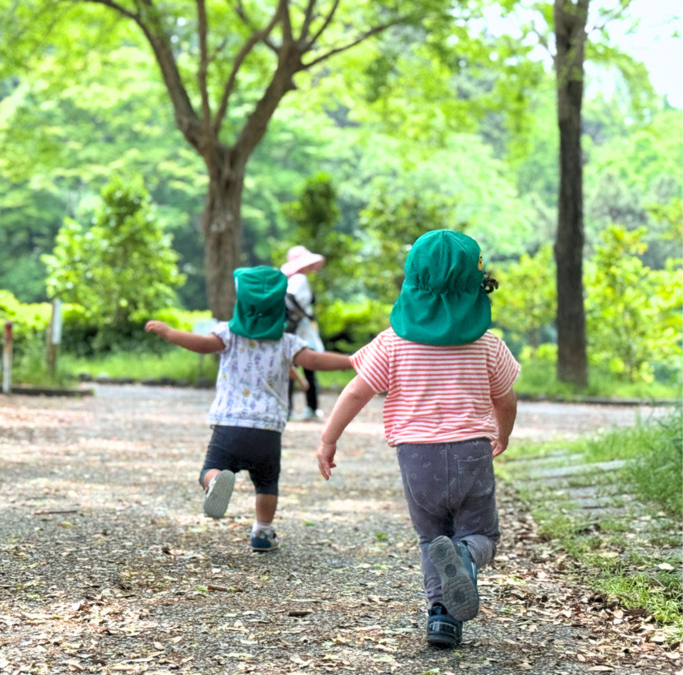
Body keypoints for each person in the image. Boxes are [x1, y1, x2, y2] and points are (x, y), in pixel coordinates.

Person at [315, 230, 520, 649]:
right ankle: (466, 556)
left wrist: (328, 440)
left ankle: (442, 618)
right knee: (481, 535)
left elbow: (356, 392)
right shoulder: (487, 345)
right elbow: (506, 398)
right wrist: (503, 433)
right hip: (471, 453)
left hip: (416, 458)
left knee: (431, 539)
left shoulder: (392, 343)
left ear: (411, 282)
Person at [145, 266, 352, 552]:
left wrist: (169, 332)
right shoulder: (287, 343)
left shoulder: (228, 335)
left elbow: (202, 344)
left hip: (229, 425)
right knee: (266, 483)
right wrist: (353, 360)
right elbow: (315, 361)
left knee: (210, 468)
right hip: (267, 430)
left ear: (241, 304)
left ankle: (214, 482)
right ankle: (262, 532)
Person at [281, 245, 326, 421]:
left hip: (295, 332)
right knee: (309, 368)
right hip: (301, 333)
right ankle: (311, 408)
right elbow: (291, 298)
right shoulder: (300, 279)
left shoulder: (291, 279)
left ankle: (288, 409)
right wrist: (303, 315)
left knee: (290, 369)